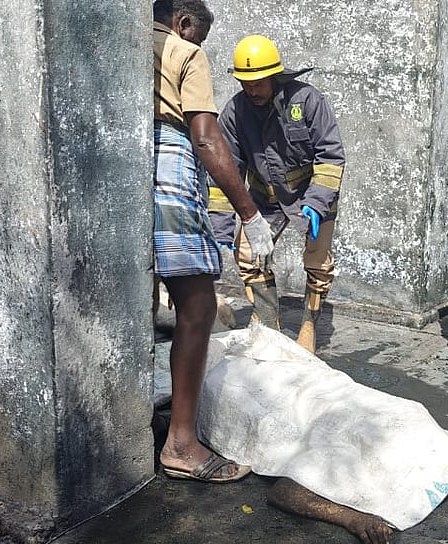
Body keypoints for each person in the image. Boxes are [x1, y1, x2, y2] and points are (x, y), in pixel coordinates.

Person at [151, 0, 275, 482]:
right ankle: (181, 443)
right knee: (198, 306)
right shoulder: (183, 51)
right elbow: (206, 139)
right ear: (184, 23)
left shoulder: (122, 44)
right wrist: (249, 213)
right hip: (170, 171)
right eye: (198, 35)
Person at [207, 34, 346, 354]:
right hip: (264, 199)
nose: (252, 89)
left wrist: (315, 203)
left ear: (275, 76)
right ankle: (270, 326)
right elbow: (225, 170)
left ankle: (310, 323)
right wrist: (221, 224)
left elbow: (331, 156)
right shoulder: (235, 112)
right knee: (248, 257)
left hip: (312, 196)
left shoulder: (309, 101)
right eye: (246, 83)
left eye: (258, 82)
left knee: (318, 262)